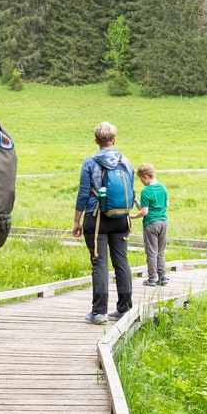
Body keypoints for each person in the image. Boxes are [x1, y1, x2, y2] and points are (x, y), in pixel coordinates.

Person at [71, 121, 136, 323]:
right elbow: (131, 190)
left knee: (99, 263)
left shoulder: (90, 162)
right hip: (121, 219)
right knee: (121, 262)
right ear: (114, 140)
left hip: (96, 218)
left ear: (96, 141)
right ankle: (125, 308)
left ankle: (99, 313)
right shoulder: (126, 161)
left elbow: (83, 194)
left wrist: (76, 221)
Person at [136, 164, 169, 286]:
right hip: (163, 222)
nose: (141, 182)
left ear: (145, 176)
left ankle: (151, 279)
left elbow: (145, 211)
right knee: (160, 251)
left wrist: (133, 216)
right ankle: (163, 277)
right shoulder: (163, 188)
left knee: (151, 252)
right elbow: (166, 205)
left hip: (151, 224)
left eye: (141, 179)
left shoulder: (146, 191)